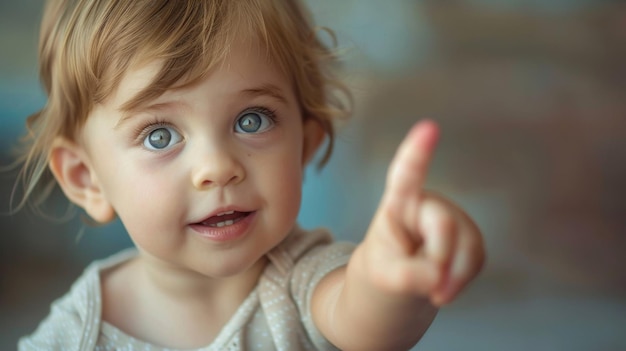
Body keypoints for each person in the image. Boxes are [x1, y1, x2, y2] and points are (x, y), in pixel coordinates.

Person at [15, 0, 485, 350]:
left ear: (306, 144)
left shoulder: (304, 279)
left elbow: (366, 320)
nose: (217, 167)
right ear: (86, 179)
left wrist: (390, 275)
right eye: (160, 135)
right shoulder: (75, 334)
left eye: (251, 120)